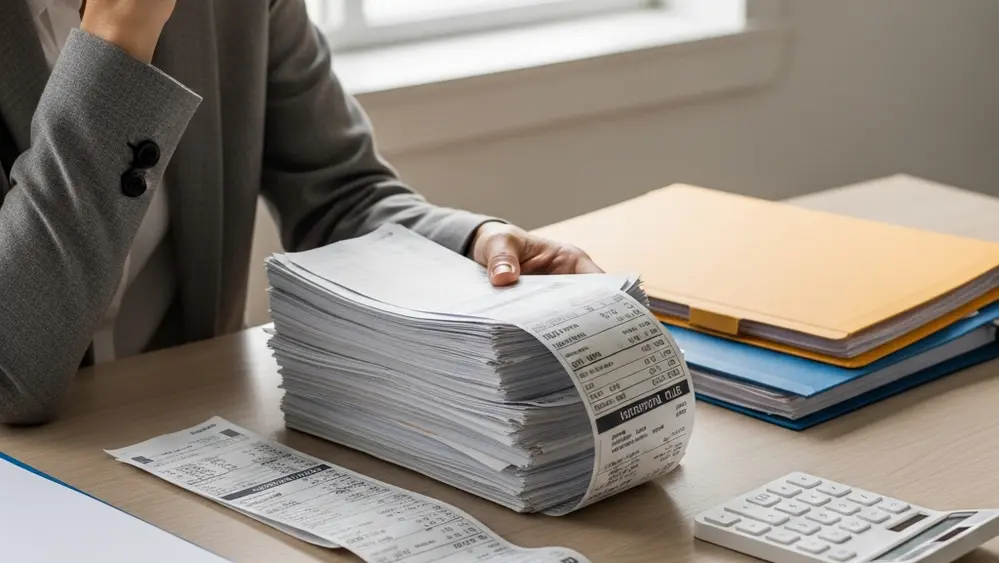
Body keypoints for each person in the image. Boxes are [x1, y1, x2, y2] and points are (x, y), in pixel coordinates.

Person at [0, 0, 602, 425]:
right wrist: (119, 33)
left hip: (182, 434)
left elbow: (341, 193)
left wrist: (476, 243)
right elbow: (12, 378)